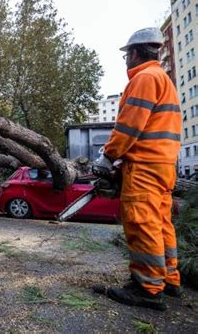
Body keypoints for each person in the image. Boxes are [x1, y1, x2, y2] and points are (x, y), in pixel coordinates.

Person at [93, 27, 183, 311]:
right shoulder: (163, 79)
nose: (126, 61)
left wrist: (109, 156)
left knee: (142, 223)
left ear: (134, 53)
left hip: (144, 166)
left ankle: (147, 287)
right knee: (160, 223)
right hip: (163, 165)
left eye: (126, 56)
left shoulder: (144, 78)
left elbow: (130, 126)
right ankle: (169, 279)